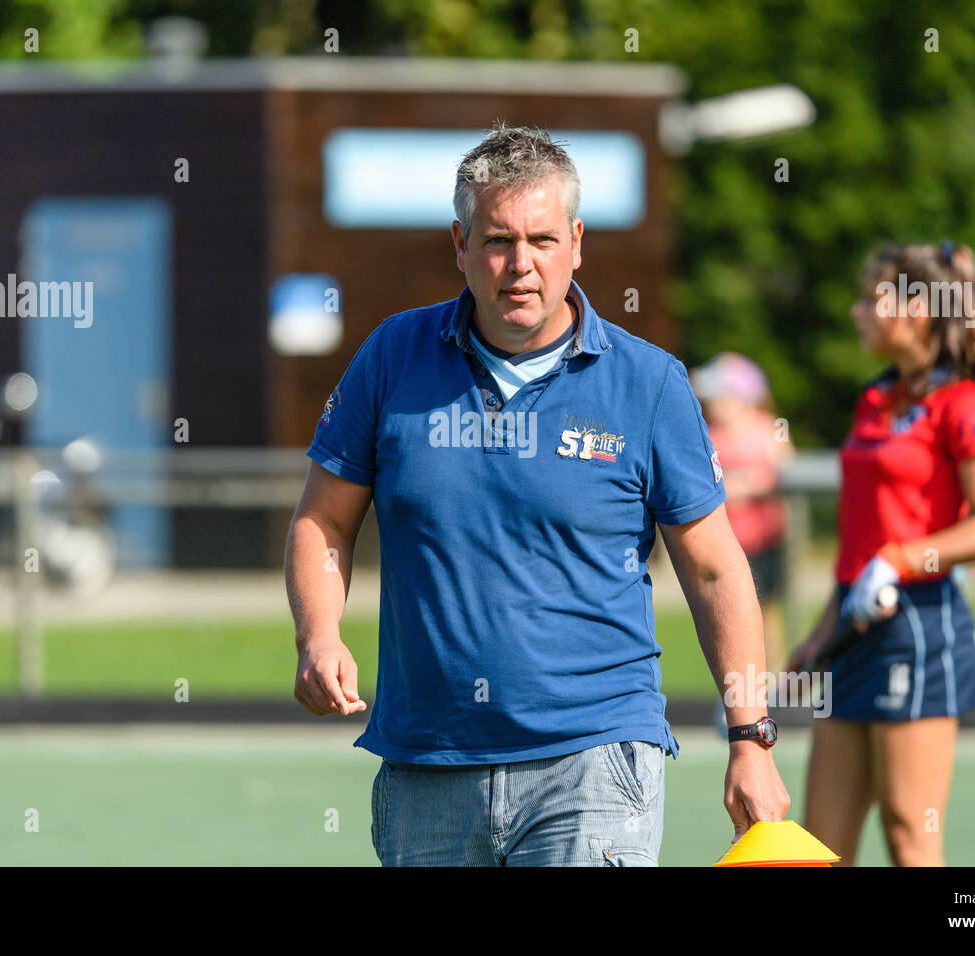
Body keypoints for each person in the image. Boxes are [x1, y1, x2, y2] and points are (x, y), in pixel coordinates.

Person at [286, 122, 789, 867]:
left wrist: (750, 737)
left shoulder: (647, 383)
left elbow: (717, 570)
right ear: (459, 245)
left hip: (594, 758)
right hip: (428, 760)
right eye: (496, 241)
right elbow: (323, 521)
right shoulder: (393, 355)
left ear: (577, 242)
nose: (520, 265)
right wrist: (318, 635)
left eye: (543, 241)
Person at [787, 240, 975, 866]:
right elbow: (862, 539)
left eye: (870, 299)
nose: (857, 311)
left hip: (918, 631)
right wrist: (821, 633)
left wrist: (901, 559)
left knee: (909, 835)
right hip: (854, 626)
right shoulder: (874, 398)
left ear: (916, 311)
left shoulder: (965, 405)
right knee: (819, 845)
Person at [691, 352, 793, 669]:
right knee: (726, 609)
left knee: (766, 609)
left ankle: (771, 675)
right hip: (726, 540)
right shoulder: (708, 434)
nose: (710, 402)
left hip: (763, 540)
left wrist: (744, 485)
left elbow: (785, 469)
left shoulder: (764, 430)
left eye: (719, 395)